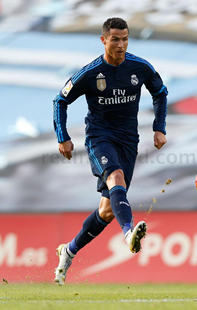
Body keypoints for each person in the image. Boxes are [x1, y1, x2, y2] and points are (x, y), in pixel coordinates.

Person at [52, 17, 168, 285]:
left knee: (106, 211)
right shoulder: (90, 73)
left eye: (125, 38)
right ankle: (128, 233)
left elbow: (160, 92)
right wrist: (63, 137)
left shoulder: (140, 67)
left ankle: (67, 251)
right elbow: (61, 100)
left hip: (129, 140)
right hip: (99, 137)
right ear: (104, 40)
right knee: (116, 178)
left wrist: (159, 127)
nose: (121, 44)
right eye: (115, 39)